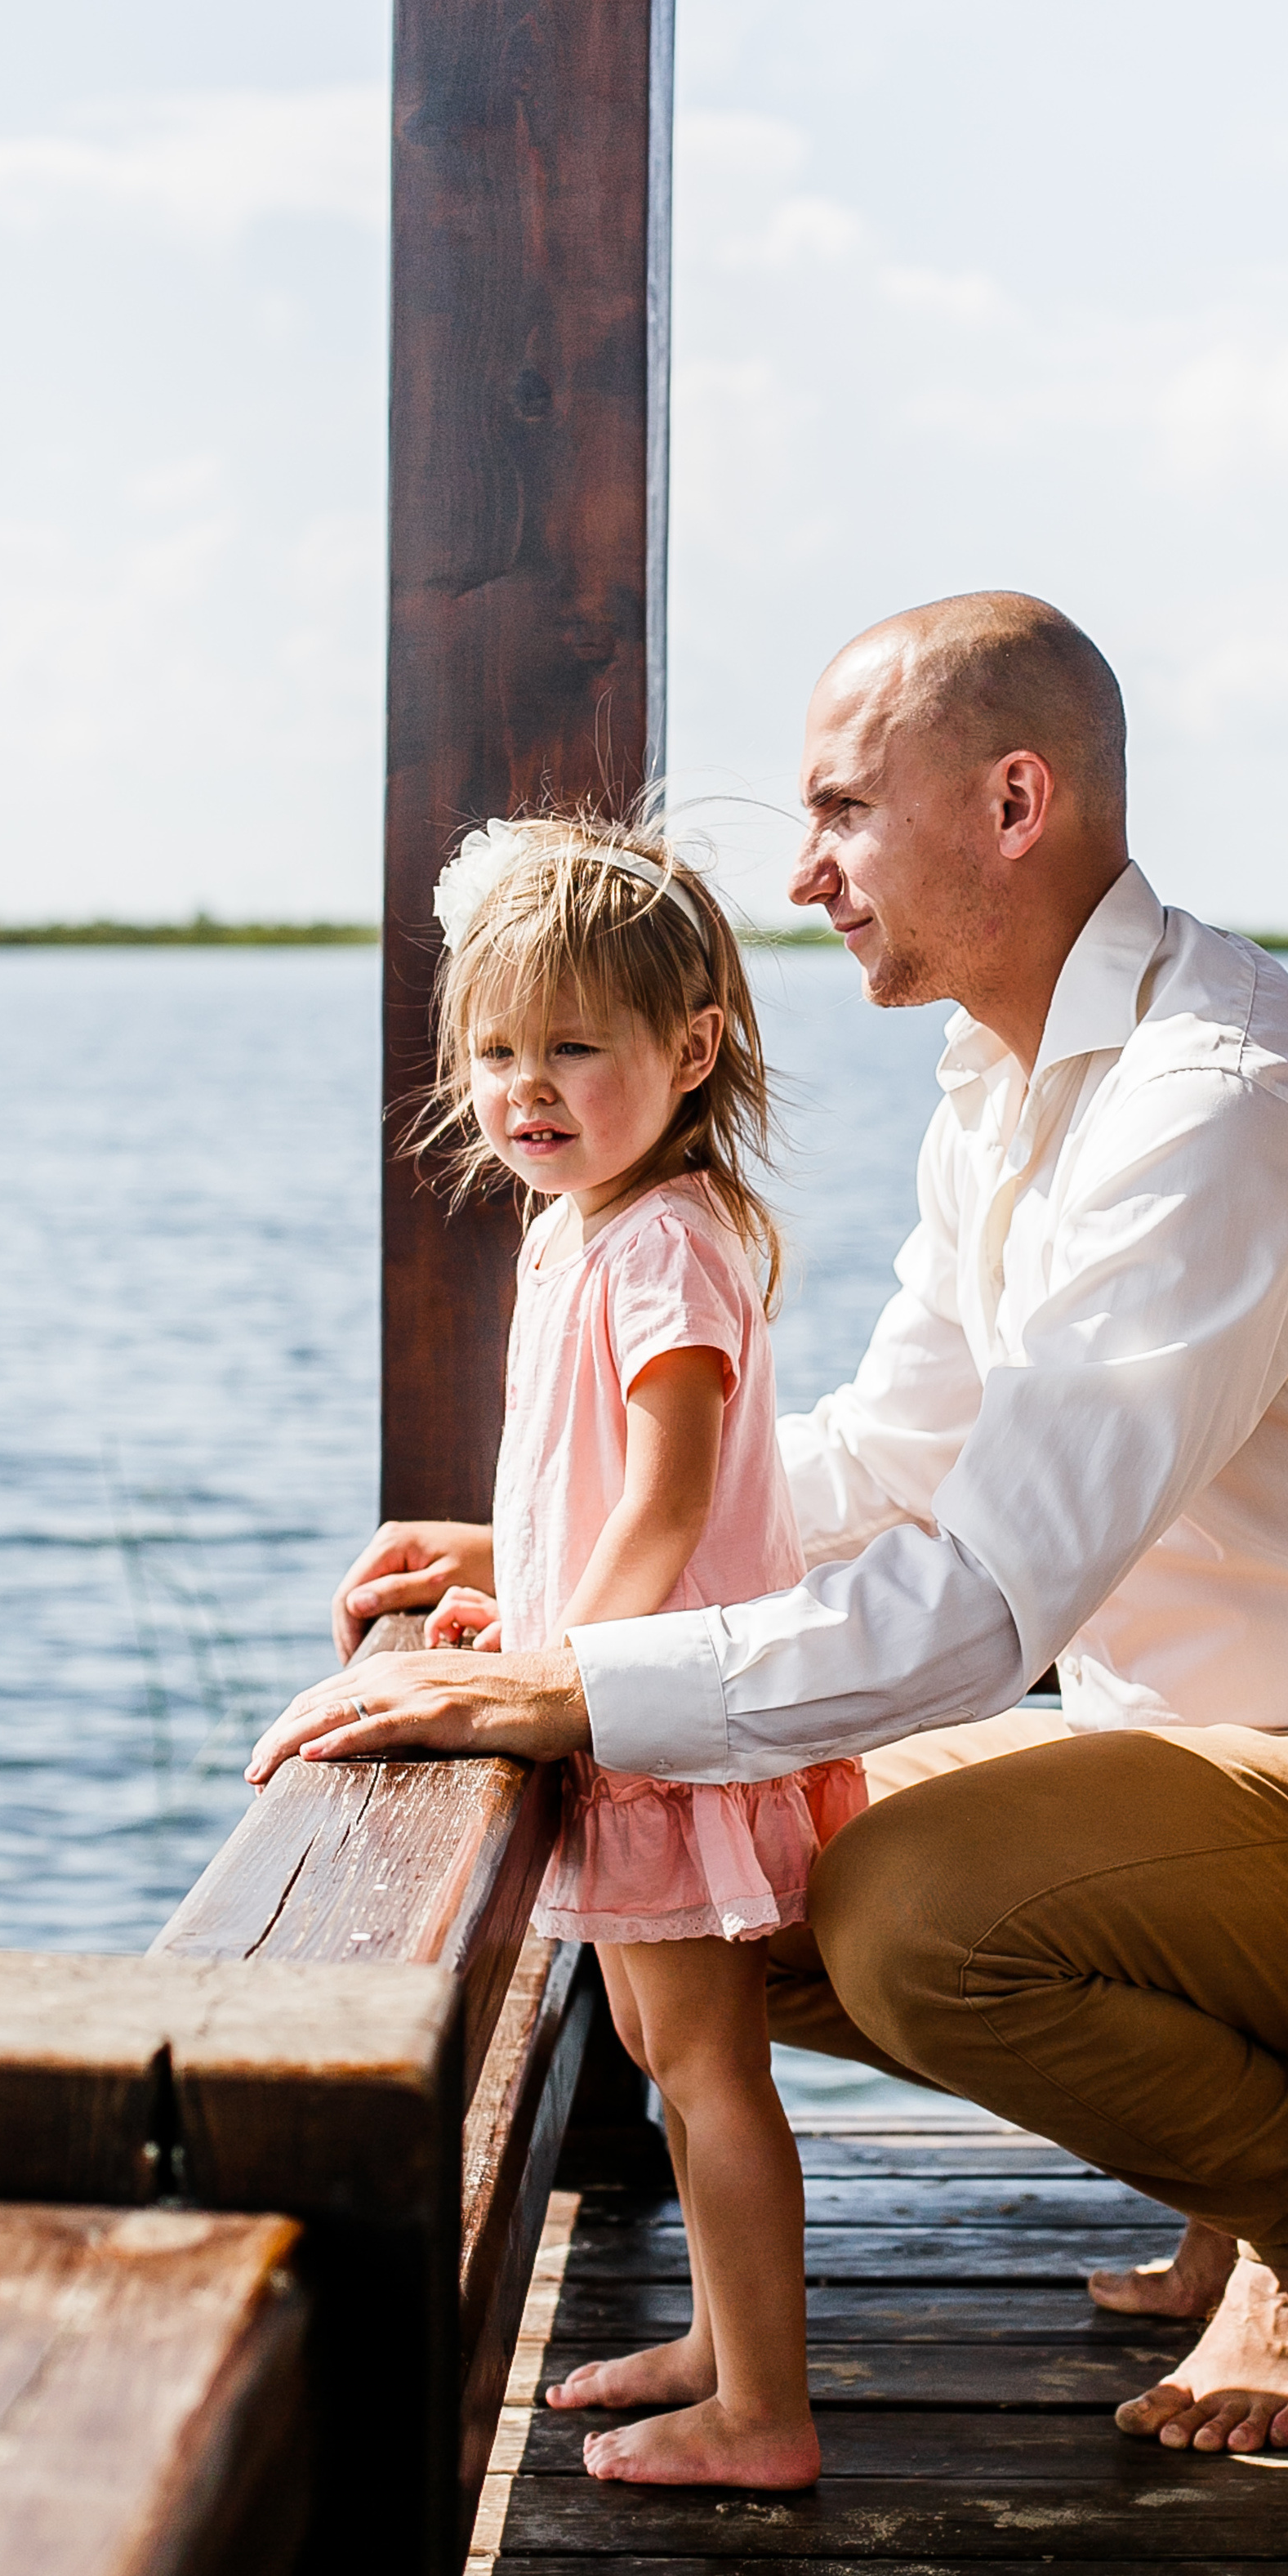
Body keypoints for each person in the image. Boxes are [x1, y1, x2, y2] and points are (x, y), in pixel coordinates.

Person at [252, 587, 1288, 2459]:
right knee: (770, 1857)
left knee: (891, 1908)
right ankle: (1235, 2155)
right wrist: (549, 1561)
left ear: (1011, 800)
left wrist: (582, 1682)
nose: (804, 872)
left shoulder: (1208, 1106)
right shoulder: (1000, 1083)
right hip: (1211, 1782)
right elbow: (890, 1464)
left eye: (838, 812)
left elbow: (977, 1599)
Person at [394, 808, 864, 2489]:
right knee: (672, 2053)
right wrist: (502, 1581)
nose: (526, 1086)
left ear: (691, 1046)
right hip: (627, 1684)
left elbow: (669, 1487)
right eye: (494, 1048)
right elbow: (588, 1473)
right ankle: (731, 2344)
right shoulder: (588, 1218)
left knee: (711, 2068)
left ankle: (765, 2411)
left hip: (659, 1714)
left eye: (573, 1047)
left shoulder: (663, 1238)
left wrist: (556, 1673)